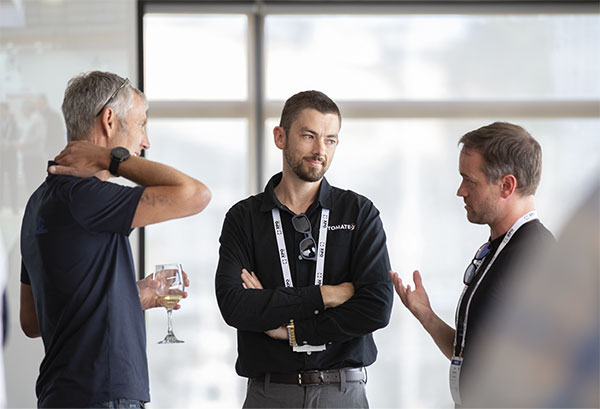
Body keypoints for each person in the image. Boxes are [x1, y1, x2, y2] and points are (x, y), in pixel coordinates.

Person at [19, 71, 211, 408]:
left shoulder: (38, 202)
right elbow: (196, 194)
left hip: (60, 395)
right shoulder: (85, 196)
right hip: (103, 395)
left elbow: (32, 321)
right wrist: (110, 158)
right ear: (109, 120)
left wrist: (131, 295)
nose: (145, 142)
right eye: (141, 124)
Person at [215, 90, 394, 408]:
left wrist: (291, 331)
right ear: (280, 137)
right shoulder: (244, 218)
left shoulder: (358, 212)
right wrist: (327, 295)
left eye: (330, 140)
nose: (319, 150)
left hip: (342, 391)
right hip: (270, 393)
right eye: (309, 136)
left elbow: (376, 307)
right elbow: (235, 306)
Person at [390, 122, 554, 407]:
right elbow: (472, 356)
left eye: (470, 181)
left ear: (506, 185)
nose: (460, 191)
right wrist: (426, 315)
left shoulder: (535, 257)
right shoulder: (500, 249)